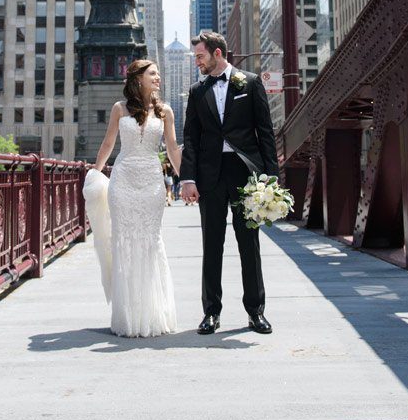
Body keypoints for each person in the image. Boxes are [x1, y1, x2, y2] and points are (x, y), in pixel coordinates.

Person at [181, 31, 276, 335]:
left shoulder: (249, 82)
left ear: (217, 54)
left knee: (249, 244)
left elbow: (265, 131)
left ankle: (256, 312)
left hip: (245, 173)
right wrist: (188, 178)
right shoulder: (197, 91)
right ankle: (211, 312)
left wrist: (271, 178)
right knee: (212, 244)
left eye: (200, 56)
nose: (197, 62)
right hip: (210, 177)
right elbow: (191, 138)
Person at [84, 59, 180, 337]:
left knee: (151, 241)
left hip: (151, 182)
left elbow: (173, 149)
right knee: (124, 243)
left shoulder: (166, 112)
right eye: (153, 74)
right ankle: (128, 315)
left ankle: (152, 313)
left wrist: (187, 180)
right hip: (123, 181)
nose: (158, 78)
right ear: (138, 79)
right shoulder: (119, 109)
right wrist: (94, 173)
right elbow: (108, 143)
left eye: (159, 74)